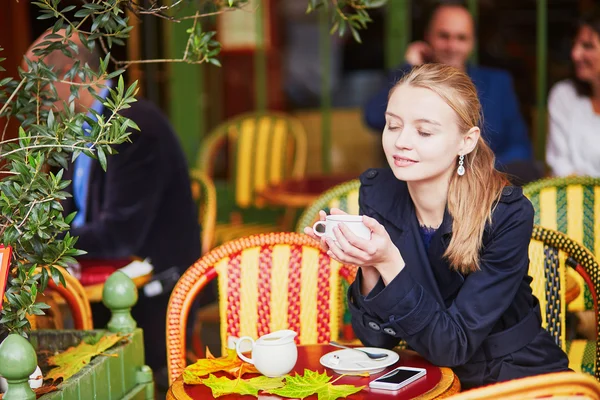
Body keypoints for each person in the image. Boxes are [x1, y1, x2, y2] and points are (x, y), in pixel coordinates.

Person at [306, 63, 569, 389]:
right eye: (392, 125)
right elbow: (376, 341)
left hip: (514, 377)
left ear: (466, 141)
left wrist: (389, 261)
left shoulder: (506, 213)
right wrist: (370, 264)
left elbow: (453, 344)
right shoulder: (380, 193)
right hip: (426, 376)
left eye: (424, 132)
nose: (401, 142)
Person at [23, 30, 202, 379]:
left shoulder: (135, 128)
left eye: (39, 90)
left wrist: (42, 242)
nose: (35, 103)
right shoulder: (79, 128)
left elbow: (118, 237)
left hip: (154, 300)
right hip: (106, 287)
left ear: (72, 79)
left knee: (57, 360)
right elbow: (65, 212)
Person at [364, 3, 533, 171]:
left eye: (461, 38)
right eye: (444, 36)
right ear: (428, 37)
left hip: (486, 183)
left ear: (472, 42)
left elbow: (520, 148)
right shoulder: (412, 83)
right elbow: (373, 117)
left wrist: (477, 173)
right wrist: (409, 68)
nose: (452, 46)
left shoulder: (498, 82)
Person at [547, 9, 600, 176]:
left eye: (588, 46)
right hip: (575, 197)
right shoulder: (564, 96)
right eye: (575, 44)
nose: (575, 54)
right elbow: (560, 165)